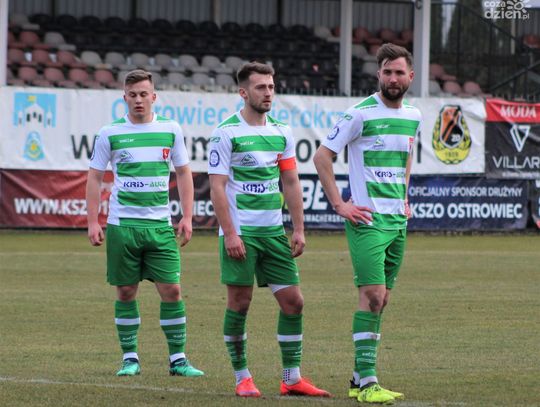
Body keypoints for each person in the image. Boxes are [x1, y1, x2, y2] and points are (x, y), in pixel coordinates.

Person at [208, 61, 330, 398]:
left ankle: (291, 378)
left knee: (293, 302)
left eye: (272, 87)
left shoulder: (281, 132)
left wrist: (299, 228)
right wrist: (231, 233)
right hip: (242, 233)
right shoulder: (225, 132)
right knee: (240, 302)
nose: (268, 93)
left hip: (274, 233)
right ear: (243, 92)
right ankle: (242, 377)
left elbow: (290, 181)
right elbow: (217, 187)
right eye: (261, 87)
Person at [313, 43, 421, 404]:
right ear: (378, 75)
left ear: (410, 76)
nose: (393, 78)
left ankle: (358, 378)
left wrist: (405, 196)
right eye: (387, 72)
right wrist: (339, 204)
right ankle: (369, 382)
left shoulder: (414, 116)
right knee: (372, 295)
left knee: (382, 299)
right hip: (367, 219)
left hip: (397, 220)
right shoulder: (359, 114)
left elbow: (406, 157)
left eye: (399, 72)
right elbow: (322, 157)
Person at [86, 69, 203, 378]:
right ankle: (130, 359)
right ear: (124, 97)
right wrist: (93, 222)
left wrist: (187, 216)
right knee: (126, 292)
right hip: (122, 226)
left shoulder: (171, 129)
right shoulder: (109, 133)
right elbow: (95, 177)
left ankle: (178, 360)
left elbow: (183, 172)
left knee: (172, 290)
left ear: (154, 96)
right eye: (132, 95)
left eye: (143, 94)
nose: (138, 100)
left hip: (160, 226)